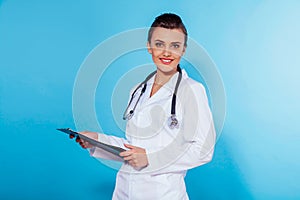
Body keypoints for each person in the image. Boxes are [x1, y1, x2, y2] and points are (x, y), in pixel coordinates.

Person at [72, 13, 216, 200]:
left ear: (183, 50)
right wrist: (96, 140)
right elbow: (134, 149)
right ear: (149, 46)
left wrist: (151, 158)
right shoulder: (137, 90)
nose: (166, 52)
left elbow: (204, 150)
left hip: (163, 193)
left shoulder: (192, 91)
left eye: (175, 46)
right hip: (124, 191)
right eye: (159, 44)